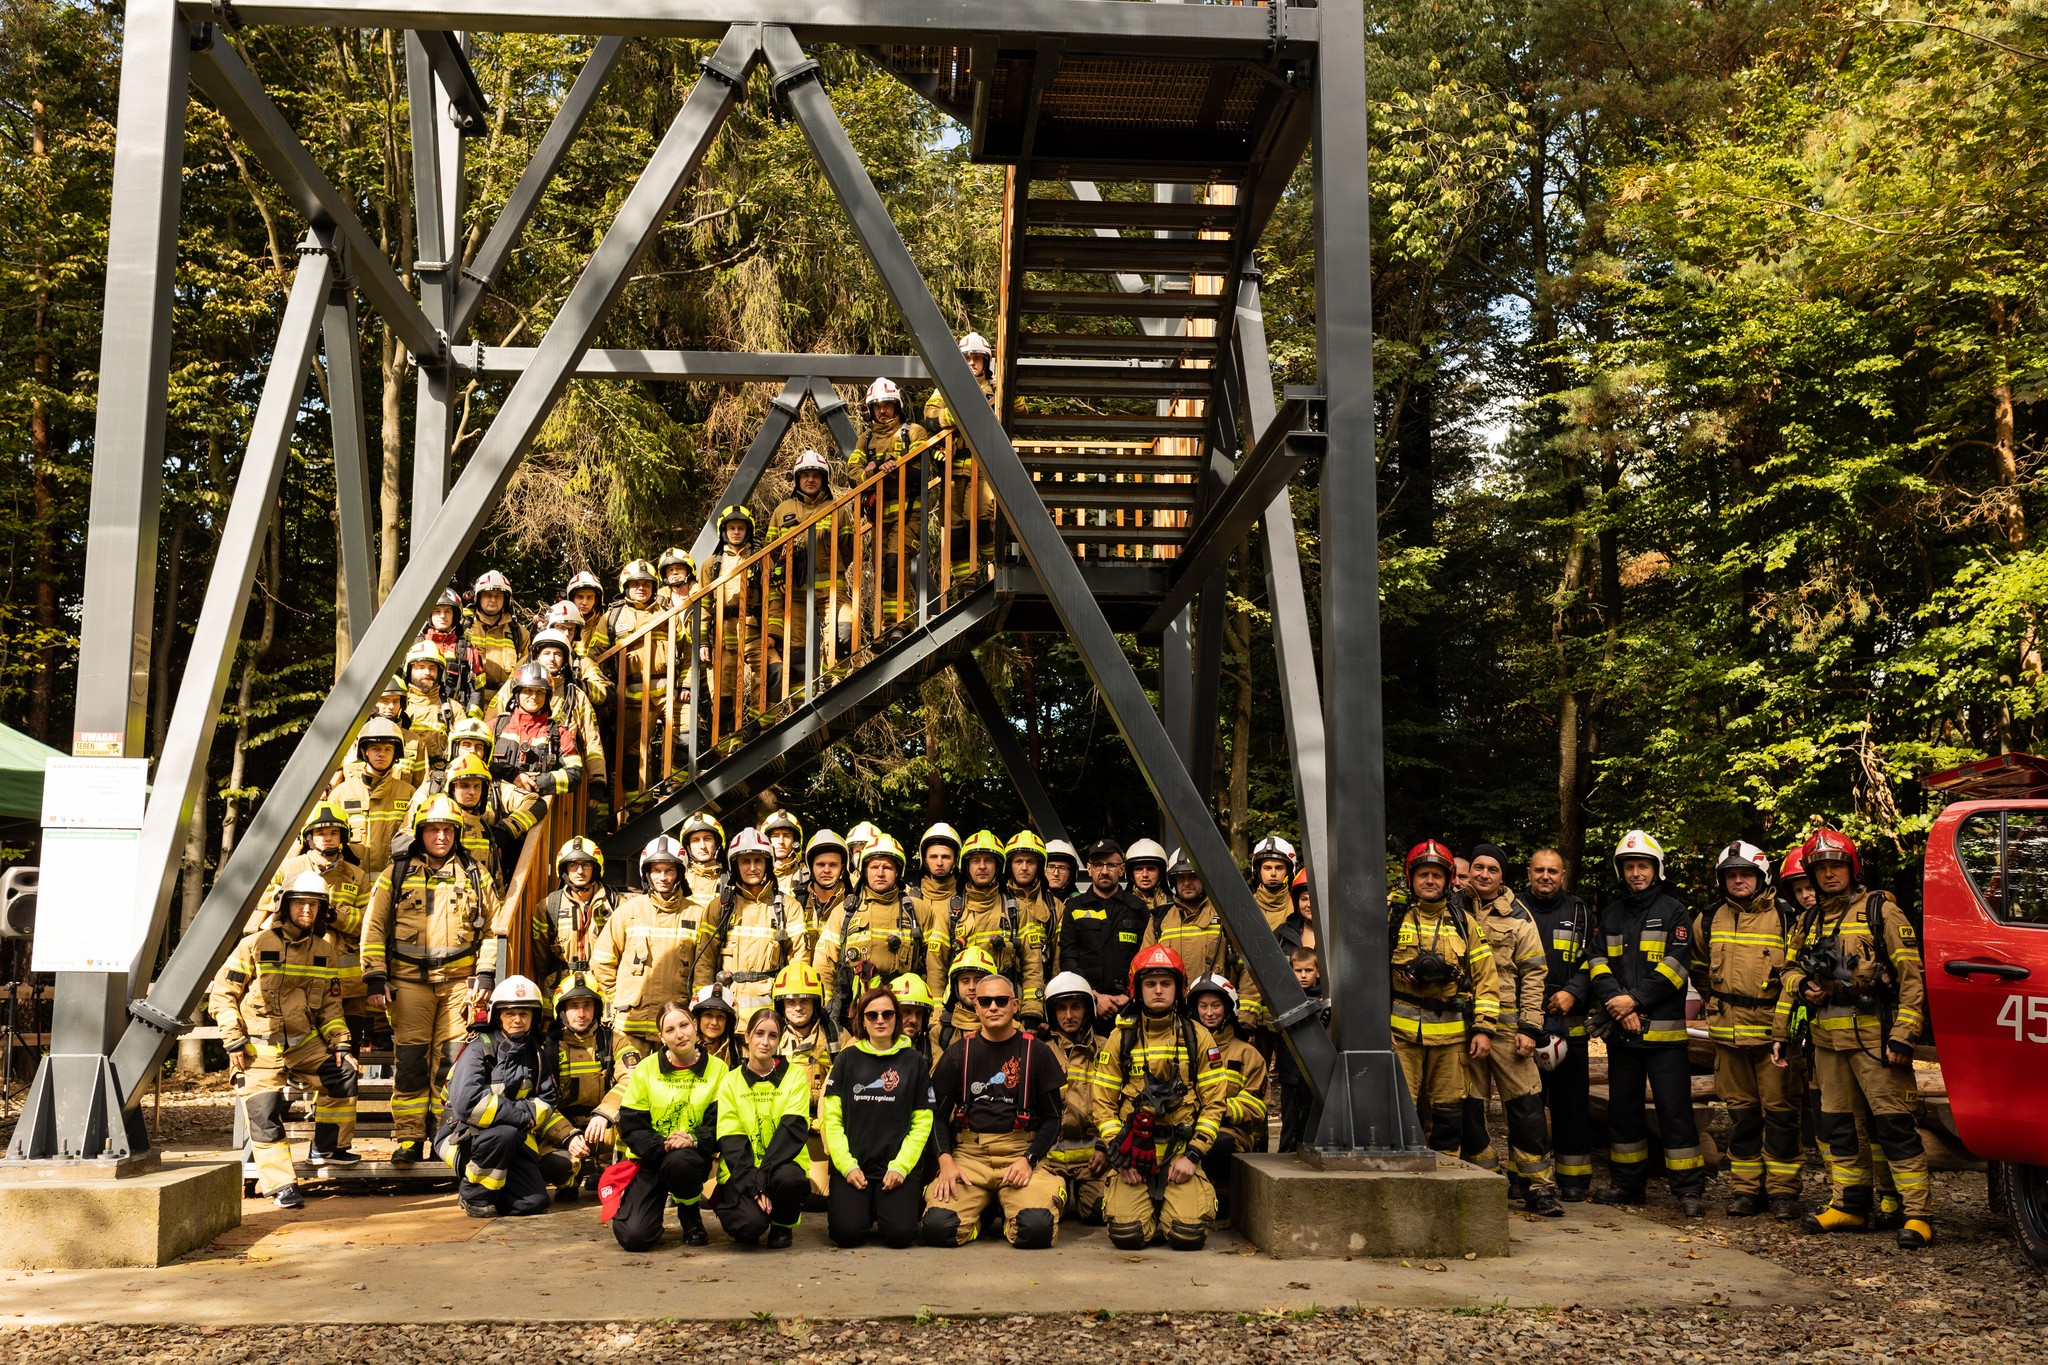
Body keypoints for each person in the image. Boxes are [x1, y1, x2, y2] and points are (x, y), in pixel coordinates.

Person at [1777, 828, 1932, 1247]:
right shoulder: (1808, 920)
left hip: (1876, 1039)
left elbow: (1912, 977)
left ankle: (1917, 1214)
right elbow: (1786, 971)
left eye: (1836, 866)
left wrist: (1904, 1035)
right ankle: (1849, 1205)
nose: (1829, 875)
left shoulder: (1881, 910)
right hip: (1826, 1041)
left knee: (1895, 1125)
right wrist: (1801, 986)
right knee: (1838, 1127)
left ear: (1852, 867)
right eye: (1821, 868)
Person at [360, 795, 499, 1162]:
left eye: (447, 830)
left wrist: (486, 974)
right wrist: (375, 977)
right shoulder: (397, 873)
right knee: (410, 1061)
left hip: (459, 984)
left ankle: (445, 1136)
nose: (441, 836)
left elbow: (495, 930)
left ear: (456, 833)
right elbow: (374, 927)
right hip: (408, 983)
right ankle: (408, 1139)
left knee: (450, 1063)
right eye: (434, 829)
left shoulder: (475, 874)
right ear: (421, 832)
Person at [209, 873, 361, 1205]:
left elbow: (331, 1006)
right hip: (257, 1047)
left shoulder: (324, 951)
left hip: (304, 1044)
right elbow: (223, 995)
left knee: (343, 1073)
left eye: (314, 904)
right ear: (284, 905)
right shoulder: (254, 944)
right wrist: (234, 1040)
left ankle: (327, 1147)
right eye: (300, 902)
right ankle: (281, 1185)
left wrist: (340, 1043)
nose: (307, 909)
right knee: (263, 1111)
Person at [1588, 830, 1706, 1217]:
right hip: (1624, 1035)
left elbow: (1675, 968)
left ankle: (1688, 1190)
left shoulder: (1675, 911)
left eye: (1643, 865)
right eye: (1629, 866)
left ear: (1656, 870)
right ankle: (1627, 1185)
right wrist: (1620, 1005)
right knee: (1623, 1112)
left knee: (1675, 1112)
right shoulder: (1611, 914)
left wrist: (1632, 999)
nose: (1636, 873)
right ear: (1620, 871)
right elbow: (1597, 962)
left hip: (1666, 1040)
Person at [1691, 841, 1805, 1220]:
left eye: (1746, 874)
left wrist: (1785, 1030)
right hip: (1728, 1037)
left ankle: (1784, 1193)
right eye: (1731, 875)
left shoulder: (1788, 918)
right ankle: (1744, 1190)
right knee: (1741, 1117)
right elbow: (1699, 968)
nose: (1738, 881)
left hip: (1775, 1038)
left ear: (1762, 876)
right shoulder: (1708, 919)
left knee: (1781, 1116)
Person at [1093, 945, 1226, 1251]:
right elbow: (1102, 1101)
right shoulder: (1120, 1038)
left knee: (1188, 1236)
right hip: (1135, 1156)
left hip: (1181, 1152)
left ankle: (1171, 1210)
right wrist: (1120, 1156)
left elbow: (1214, 1103)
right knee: (1127, 1236)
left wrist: (1193, 1155)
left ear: (1179, 988)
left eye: (1166, 984)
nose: (1158, 991)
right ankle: (1148, 1211)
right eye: (1150, 984)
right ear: (1136, 989)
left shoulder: (1198, 1037)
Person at [921, 974, 1068, 1248]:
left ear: (1015, 1005)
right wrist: (946, 1162)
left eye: (1001, 1001)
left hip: (1020, 1156)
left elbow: (1053, 1118)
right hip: (969, 1158)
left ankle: (1013, 1207)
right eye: (985, 1001)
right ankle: (982, 1215)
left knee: (1034, 1231)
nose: (993, 1007)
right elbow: (937, 1115)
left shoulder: (1037, 1052)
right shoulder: (957, 1053)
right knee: (938, 1229)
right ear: (976, 1007)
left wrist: (1029, 1159)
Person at [1458, 843, 1562, 1216]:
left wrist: (1530, 1028)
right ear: (1470, 870)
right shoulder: (1454, 908)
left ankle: (1539, 1187)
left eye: (1493, 870)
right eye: (1479, 867)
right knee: (1469, 1106)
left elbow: (1535, 974)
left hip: (1507, 1029)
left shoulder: (1519, 917)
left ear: (1503, 877)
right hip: (1462, 1028)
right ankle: (1485, 1181)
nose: (1484, 874)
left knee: (1526, 1106)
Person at [1387, 841, 1498, 1158]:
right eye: (1423, 874)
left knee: (1449, 1115)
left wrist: (1483, 1029)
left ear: (1448, 880)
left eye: (1437, 874)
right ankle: (1402, 1178)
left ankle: (1446, 1178)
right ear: (1411, 878)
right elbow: (1371, 976)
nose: (1430, 881)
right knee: (1399, 1112)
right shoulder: (1393, 920)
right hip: (1401, 1036)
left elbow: (1486, 978)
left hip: (1452, 1037)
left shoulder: (1465, 924)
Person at [436, 975, 578, 1218]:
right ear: (497, 1015)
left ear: (533, 1018)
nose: (517, 1020)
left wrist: (518, 1115)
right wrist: (520, 1115)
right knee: (505, 1133)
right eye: (509, 1013)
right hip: (463, 1138)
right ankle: (473, 1195)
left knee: (535, 1203)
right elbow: (468, 1105)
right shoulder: (478, 1049)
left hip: (514, 1139)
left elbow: (547, 1102)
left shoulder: (536, 1055)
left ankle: (496, 1191)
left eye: (524, 1013)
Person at [591, 834, 717, 1076]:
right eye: (657, 870)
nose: (663, 877)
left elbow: (703, 968)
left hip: (676, 1028)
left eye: (669, 870)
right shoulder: (627, 913)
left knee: (677, 1084)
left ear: (680, 873)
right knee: (630, 1083)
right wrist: (620, 998)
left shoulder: (697, 915)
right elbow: (603, 960)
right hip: (631, 1025)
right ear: (646, 873)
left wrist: (695, 1011)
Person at [822, 985, 936, 1248]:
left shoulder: (915, 1062)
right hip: (853, 1167)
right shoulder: (846, 1060)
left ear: (896, 1017)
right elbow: (833, 1120)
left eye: (887, 1014)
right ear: (862, 1019)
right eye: (872, 1015)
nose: (880, 1020)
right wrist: (847, 1166)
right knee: (846, 1235)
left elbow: (922, 1124)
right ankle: (865, 1208)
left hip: (895, 1168)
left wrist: (901, 1166)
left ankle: (881, 1207)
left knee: (900, 1236)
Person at [611, 998, 728, 1251]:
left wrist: (692, 1139)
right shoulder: (646, 1069)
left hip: (691, 1159)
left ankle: (689, 1213)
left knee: (681, 1161)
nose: (679, 1035)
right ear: (662, 1038)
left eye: (684, 1025)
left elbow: (720, 1123)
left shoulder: (719, 1070)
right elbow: (632, 1126)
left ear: (695, 1026)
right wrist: (662, 1145)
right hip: (651, 1158)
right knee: (634, 1238)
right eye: (670, 1030)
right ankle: (646, 1213)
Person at [265, 801, 372, 1068]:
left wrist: (334, 916)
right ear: (309, 838)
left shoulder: (356, 876)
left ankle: (343, 1102)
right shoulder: (288, 869)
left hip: (349, 987)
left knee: (347, 1056)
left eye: (334, 833)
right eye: (321, 833)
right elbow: (266, 914)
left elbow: (367, 925)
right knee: (305, 1049)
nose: (327, 838)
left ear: (343, 837)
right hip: (298, 977)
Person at [1524, 847, 1595, 1200]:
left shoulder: (1580, 912)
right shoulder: (1514, 910)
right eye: (1539, 870)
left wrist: (1573, 992)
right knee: (1527, 1107)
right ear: (1528, 872)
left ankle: (1575, 1180)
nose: (1546, 877)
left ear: (1563, 875)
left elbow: (1594, 960)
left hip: (1570, 1022)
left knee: (1572, 1106)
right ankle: (1526, 1180)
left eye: (1553, 871)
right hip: (1526, 1023)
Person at [815, 833, 938, 1025]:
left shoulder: (918, 911)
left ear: (898, 871)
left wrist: (935, 1009)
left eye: (887, 867)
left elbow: (935, 965)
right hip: (856, 1015)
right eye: (874, 867)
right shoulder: (845, 912)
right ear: (864, 871)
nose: (880, 873)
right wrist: (826, 1009)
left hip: (904, 1012)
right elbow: (824, 963)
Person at [716, 1008, 813, 1247]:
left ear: (779, 1041)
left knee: (789, 1180)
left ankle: (783, 1225)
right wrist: (754, 1181)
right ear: (747, 1036)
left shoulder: (794, 1077)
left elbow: (792, 1131)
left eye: (773, 1036)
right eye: (759, 1033)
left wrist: (763, 1175)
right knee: (747, 1228)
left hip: (782, 1167)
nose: (765, 1042)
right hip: (743, 1171)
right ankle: (753, 1214)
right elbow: (731, 1140)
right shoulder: (730, 1081)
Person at [1142, 849, 1262, 1031]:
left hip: (1220, 1020)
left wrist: (1245, 1019)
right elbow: (1144, 971)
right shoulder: (1159, 920)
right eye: (1181, 878)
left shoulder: (1228, 915)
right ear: (1172, 881)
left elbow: (1250, 970)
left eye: (1193, 876)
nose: (1187, 883)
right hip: (1173, 1021)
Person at [848, 378, 931, 628]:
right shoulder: (866, 440)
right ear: (871, 410)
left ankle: (901, 623)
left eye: (887, 405)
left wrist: (897, 465)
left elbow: (923, 470)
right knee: (883, 569)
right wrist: (869, 473)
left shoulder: (914, 432)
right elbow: (853, 472)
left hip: (909, 512)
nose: (882, 411)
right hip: (879, 519)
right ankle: (889, 626)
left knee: (896, 561)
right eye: (877, 406)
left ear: (897, 406)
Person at [767, 450, 850, 680]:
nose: (810, 479)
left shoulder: (837, 509)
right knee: (795, 652)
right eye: (805, 475)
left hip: (832, 588)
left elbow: (847, 548)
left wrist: (830, 567)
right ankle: (799, 702)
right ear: (797, 480)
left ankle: (830, 679)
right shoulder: (782, 511)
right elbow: (771, 551)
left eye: (816, 475)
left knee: (844, 631)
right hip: (795, 593)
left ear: (823, 480)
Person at [1187, 973, 1266, 1215]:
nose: (1209, 1013)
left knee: (1218, 1143)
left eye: (1215, 1005)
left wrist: (1217, 1112)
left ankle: (1221, 1197)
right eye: (1203, 1006)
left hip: (1232, 1131)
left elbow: (1257, 1107)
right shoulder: (1183, 1049)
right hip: (1189, 1124)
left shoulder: (1247, 1055)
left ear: (1229, 1009)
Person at [921, 333, 998, 583]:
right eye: (968, 359)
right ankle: (966, 583)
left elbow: (1019, 410)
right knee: (954, 528)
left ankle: (994, 568)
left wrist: (1006, 393)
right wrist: (958, 414)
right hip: (953, 470)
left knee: (979, 518)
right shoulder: (946, 387)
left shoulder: (995, 387)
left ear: (986, 362)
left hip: (984, 467)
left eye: (977, 358)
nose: (973, 363)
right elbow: (931, 417)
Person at [948, 830, 1046, 1022]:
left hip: (1005, 1009)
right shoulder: (951, 911)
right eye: (976, 860)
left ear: (998, 866)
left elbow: (1032, 965)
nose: (982, 866)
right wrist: (937, 1013)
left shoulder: (1018, 909)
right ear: (967, 866)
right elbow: (938, 967)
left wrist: (1032, 1011)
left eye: (989, 861)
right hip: (962, 1013)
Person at [1059, 839, 1150, 1035]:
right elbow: (1068, 958)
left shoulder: (1137, 908)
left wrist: (1130, 995)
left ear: (1122, 869)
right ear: (1089, 869)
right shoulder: (1074, 908)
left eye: (1111, 865)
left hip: (1130, 1006)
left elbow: (1146, 958)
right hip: (1087, 1007)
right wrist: (1094, 996)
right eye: (1098, 865)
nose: (1105, 871)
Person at [543, 972, 622, 1198]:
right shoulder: (548, 1048)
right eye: (574, 1005)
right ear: (562, 1010)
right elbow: (541, 1101)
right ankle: (569, 1178)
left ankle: (609, 1171)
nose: (581, 1013)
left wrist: (605, 1114)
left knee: (635, 1124)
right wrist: (567, 1135)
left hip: (605, 1128)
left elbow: (632, 1079)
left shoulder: (614, 1041)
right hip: (565, 1129)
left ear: (596, 1008)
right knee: (557, 1167)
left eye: (587, 1005)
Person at [1038, 971, 1108, 1223]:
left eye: (1075, 1007)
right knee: (1040, 1214)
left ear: (1088, 1009)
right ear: (1051, 1013)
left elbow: (1118, 1104)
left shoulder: (1107, 1048)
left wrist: (1105, 1148)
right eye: (1061, 1008)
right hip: (1048, 1160)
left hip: (1094, 1159)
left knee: (1101, 1213)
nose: (1069, 1016)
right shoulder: (1039, 1051)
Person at [703, 506, 782, 731]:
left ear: (748, 531)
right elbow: (705, 605)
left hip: (754, 633)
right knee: (724, 697)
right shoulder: (712, 564)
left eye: (740, 527)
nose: (736, 532)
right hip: (722, 637)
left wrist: (774, 633)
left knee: (774, 670)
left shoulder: (762, 560)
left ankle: (761, 724)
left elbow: (774, 598)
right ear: (724, 531)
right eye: (731, 528)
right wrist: (703, 642)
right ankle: (727, 749)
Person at [773, 958, 842, 1196]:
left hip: (817, 1131)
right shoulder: (769, 1037)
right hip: (779, 1129)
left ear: (816, 1002)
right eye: (790, 1001)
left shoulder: (836, 1037)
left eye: (804, 1000)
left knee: (816, 1196)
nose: (798, 1007)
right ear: (780, 1005)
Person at [604, 560, 670, 792]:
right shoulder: (612, 617)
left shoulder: (667, 612)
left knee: (679, 739)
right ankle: (638, 802)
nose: (641, 588)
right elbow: (595, 653)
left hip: (667, 691)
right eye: (635, 584)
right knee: (633, 752)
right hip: (631, 695)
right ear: (626, 586)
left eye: (646, 584)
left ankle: (674, 788)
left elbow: (685, 646)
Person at [330, 717, 417, 878]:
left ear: (395, 753)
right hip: (350, 885)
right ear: (365, 751)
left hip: (392, 884)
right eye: (376, 748)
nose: (382, 754)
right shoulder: (341, 794)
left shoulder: (409, 794)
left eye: (388, 749)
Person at [535, 836, 620, 991]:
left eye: (586, 864)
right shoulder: (548, 906)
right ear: (564, 870)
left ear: (596, 868)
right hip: (561, 987)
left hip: (605, 986)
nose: (580, 871)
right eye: (573, 864)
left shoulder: (616, 903)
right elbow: (541, 957)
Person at [1274, 945, 1324, 1153]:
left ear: (1318, 972)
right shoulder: (1283, 996)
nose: (1303, 976)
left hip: (1316, 1070)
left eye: (1308, 970)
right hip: (1290, 1070)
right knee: (1290, 1120)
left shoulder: (1326, 998)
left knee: (1311, 1118)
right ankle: (1286, 1153)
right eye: (1298, 971)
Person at [911, 822, 965, 1000]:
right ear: (924, 860)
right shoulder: (910, 899)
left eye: (946, 857)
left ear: (956, 859)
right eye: (933, 856)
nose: (939, 862)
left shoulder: (967, 900)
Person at [1003, 831, 1060, 983]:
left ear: (1039, 867)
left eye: (1030, 862)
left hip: (1042, 985)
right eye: (1018, 861)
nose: (1024, 868)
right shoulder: (997, 901)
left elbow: (1058, 959)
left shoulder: (1055, 906)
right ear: (1009, 866)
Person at [419, 590, 487, 714]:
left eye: (447, 611)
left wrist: (470, 722)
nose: (442, 616)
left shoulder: (468, 651)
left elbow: (477, 692)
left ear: (455, 616)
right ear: (429, 614)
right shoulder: (415, 646)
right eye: (437, 611)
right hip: (417, 715)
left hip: (455, 716)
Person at [466, 570, 529, 692]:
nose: (493, 600)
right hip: (471, 696)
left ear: (505, 600)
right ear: (478, 598)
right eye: (488, 595)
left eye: (498, 596)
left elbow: (526, 670)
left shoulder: (519, 633)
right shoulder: (464, 625)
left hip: (505, 699)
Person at [797, 829, 850, 974]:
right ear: (811, 867)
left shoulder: (853, 904)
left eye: (833, 865)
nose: (826, 870)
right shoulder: (797, 902)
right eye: (820, 865)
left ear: (842, 868)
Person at [936, 944, 999, 1049]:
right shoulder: (940, 1032)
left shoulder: (1010, 1028)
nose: (971, 987)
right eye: (965, 981)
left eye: (978, 980)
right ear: (955, 986)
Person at [892, 971, 944, 1071]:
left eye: (919, 1013)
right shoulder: (866, 1045)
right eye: (906, 1011)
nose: (914, 1020)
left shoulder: (933, 1054)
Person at [1250, 835, 1298, 934]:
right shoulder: (1245, 907)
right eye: (1267, 868)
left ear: (1288, 871)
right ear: (1258, 871)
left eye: (1279, 868)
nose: (1273, 873)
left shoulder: (1298, 907)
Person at [692, 980, 742, 1070]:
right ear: (697, 1019)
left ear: (728, 1022)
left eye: (720, 1016)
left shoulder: (738, 1051)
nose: (714, 1022)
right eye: (708, 1015)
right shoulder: (685, 1048)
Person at [565, 570, 610, 658]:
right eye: (580, 597)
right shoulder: (562, 624)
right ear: (571, 599)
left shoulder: (605, 624)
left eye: (590, 597)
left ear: (596, 601)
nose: (584, 602)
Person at [762, 810, 806, 899]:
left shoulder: (806, 876)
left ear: (795, 841)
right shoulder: (757, 874)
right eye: (775, 836)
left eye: (787, 836)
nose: (781, 841)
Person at [1124, 839, 1170, 922]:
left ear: (1161, 873)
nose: (1145, 874)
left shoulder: (1174, 904)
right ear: (1131, 874)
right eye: (1139, 869)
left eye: (1151, 869)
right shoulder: (1121, 905)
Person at [1275, 868, 1314, 959]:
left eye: (1315, 899)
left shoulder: (1341, 934)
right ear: (1297, 902)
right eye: (1304, 899)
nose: (1309, 905)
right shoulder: (1283, 933)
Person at [1042, 839, 1080, 911]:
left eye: (1062, 868)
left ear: (1071, 874)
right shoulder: (1030, 900)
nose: (1056, 873)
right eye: (1051, 867)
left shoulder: (1080, 903)